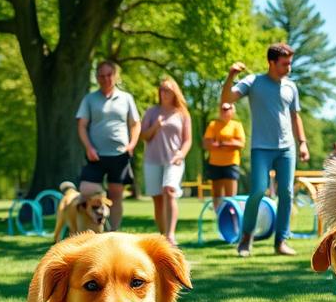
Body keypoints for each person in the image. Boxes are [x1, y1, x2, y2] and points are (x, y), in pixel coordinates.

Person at [222, 43, 309, 257]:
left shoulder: (291, 87)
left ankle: (281, 241)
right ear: (271, 62)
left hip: (286, 148)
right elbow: (227, 98)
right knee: (259, 190)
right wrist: (231, 75)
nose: (289, 67)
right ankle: (246, 238)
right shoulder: (254, 82)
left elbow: (295, 116)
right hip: (261, 147)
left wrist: (303, 143)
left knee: (287, 193)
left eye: (290, 63)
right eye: (284, 63)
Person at [76, 60, 140, 231]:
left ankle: (113, 233)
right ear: (97, 77)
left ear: (115, 76)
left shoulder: (126, 98)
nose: (105, 79)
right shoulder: (89, 99)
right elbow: (81, 125)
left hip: (119, 154)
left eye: (109, 75)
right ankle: (88, 227)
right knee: (86, 189)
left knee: (116, 196)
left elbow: (135, 124)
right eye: (101, 76)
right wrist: (88, 147)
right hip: (95, 155)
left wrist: (131, 144)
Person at [140, 77, 192, 246]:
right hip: (152, 160)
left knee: (169, 191)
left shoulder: (182, 113)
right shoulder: (151, 112)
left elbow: (187, 140)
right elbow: (144, 136)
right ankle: (162, 237)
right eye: (162, 89)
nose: (164, 93)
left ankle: (170, 235)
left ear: (174, 92)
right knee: (157, 199)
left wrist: (181, 154)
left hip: (173, 160)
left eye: (168, 89)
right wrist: (155, 126)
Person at [202, 101, 246, 209]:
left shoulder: (237, 125)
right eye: (222, 109)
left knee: (230, 196)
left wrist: (221, 143)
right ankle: (219, 219)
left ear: (233, 111)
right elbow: (207, 143)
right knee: (216, 195)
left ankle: (232, 218)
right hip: (215, 163)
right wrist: (229, 143)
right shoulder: (213, 125)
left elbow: (240, 144)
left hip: (231, 164)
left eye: (227, 109)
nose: (224, 111)